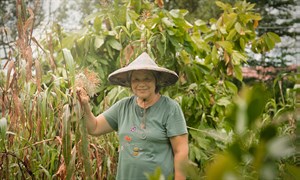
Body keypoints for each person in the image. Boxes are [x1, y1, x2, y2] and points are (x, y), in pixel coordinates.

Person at [77, 52, 189, 180]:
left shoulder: (170, 109)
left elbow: (181, 151)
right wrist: (84, 105)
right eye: (136, 79)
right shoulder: (123, 107)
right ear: (130, 82)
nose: (141, 84)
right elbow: (94, 127)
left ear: (156, 81)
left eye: (147, 78)